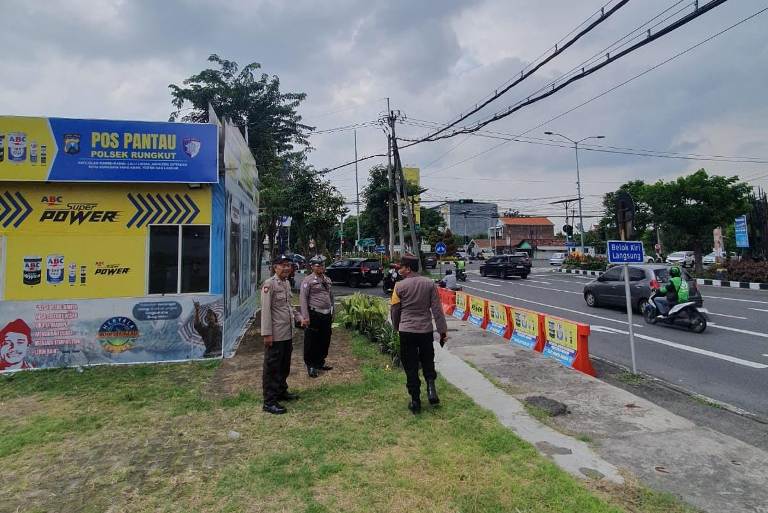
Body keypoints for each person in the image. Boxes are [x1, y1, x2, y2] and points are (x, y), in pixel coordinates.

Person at [391, 255, 448, 414]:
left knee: (411, 366)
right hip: (425, 330)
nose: (399, 269)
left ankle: (415, 400)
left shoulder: (399, 286)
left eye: (401, 267)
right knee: (428, 360)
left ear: (408, 268)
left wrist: (397, 327)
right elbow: (437, 310)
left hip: (407, 331)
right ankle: (431, 388)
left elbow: (395, 310)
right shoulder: (429, 284)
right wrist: (442, 331)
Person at [261, 255, 307, 414]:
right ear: (275, 267)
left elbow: (288, 307)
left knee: (284, 365)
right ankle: (269, 401)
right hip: (275, 333)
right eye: (283, 265)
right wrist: (267, 334)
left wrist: (299, 318)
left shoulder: (286, 283)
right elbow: (266, 311)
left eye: (288, 265)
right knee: (272, 367)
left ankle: (281, 391)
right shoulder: (269, 284)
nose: (287, 268)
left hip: (287, 332)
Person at [300, 255, 334, 378]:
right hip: (314, 314)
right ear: (312, 266)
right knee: (312, 340)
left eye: (322, 265)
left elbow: (331, 297)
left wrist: (332, 312)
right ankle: (311, 365)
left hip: (326, 314)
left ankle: (320, 362)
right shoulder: (308, 281)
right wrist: (305, 316)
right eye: (318, 265)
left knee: (325, 339)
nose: (321, 267)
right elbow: (303, 299)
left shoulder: (327, 280)